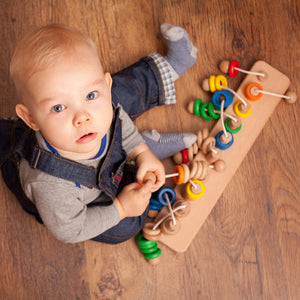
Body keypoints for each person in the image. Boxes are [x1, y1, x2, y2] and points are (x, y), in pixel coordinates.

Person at [2, 22, 198, 244]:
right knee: (127, 225)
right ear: (30, 118)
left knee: (120, 97)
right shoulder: (50, 186)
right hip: (90, 198)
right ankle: (133, 161)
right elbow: (71, 230)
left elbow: (117, 116)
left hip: (108, 156)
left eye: (91, 95)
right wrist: (122, 208)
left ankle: (170, 68)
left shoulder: (91, 113)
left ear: (104, 85)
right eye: (58, 108)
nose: (82, 117)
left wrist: (141, 151)